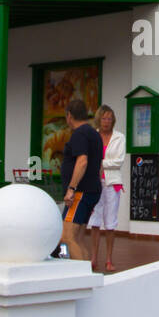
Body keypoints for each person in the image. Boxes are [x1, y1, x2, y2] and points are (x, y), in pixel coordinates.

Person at [56, 99, 103, 266]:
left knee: (67, 237)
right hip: (92, 190)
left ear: (69, 116)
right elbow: (99, 165)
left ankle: (82, 279)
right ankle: (86, 274)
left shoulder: (80, 134)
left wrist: (71, 188)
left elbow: (82, 161)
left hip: (80, 192)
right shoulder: (94, 134)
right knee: (78, 238)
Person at [85, 104, 125, 272]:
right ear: (98, 119)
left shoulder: (119, 137)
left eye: (109, 118)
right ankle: (94, 257)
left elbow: (119, 160)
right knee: (94, 221)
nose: (106, 122)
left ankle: (109, 258)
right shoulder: (93, 136)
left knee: (110, 221)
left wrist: (102, 164)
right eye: (104, 118)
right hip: (95, 182)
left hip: (112, 183)